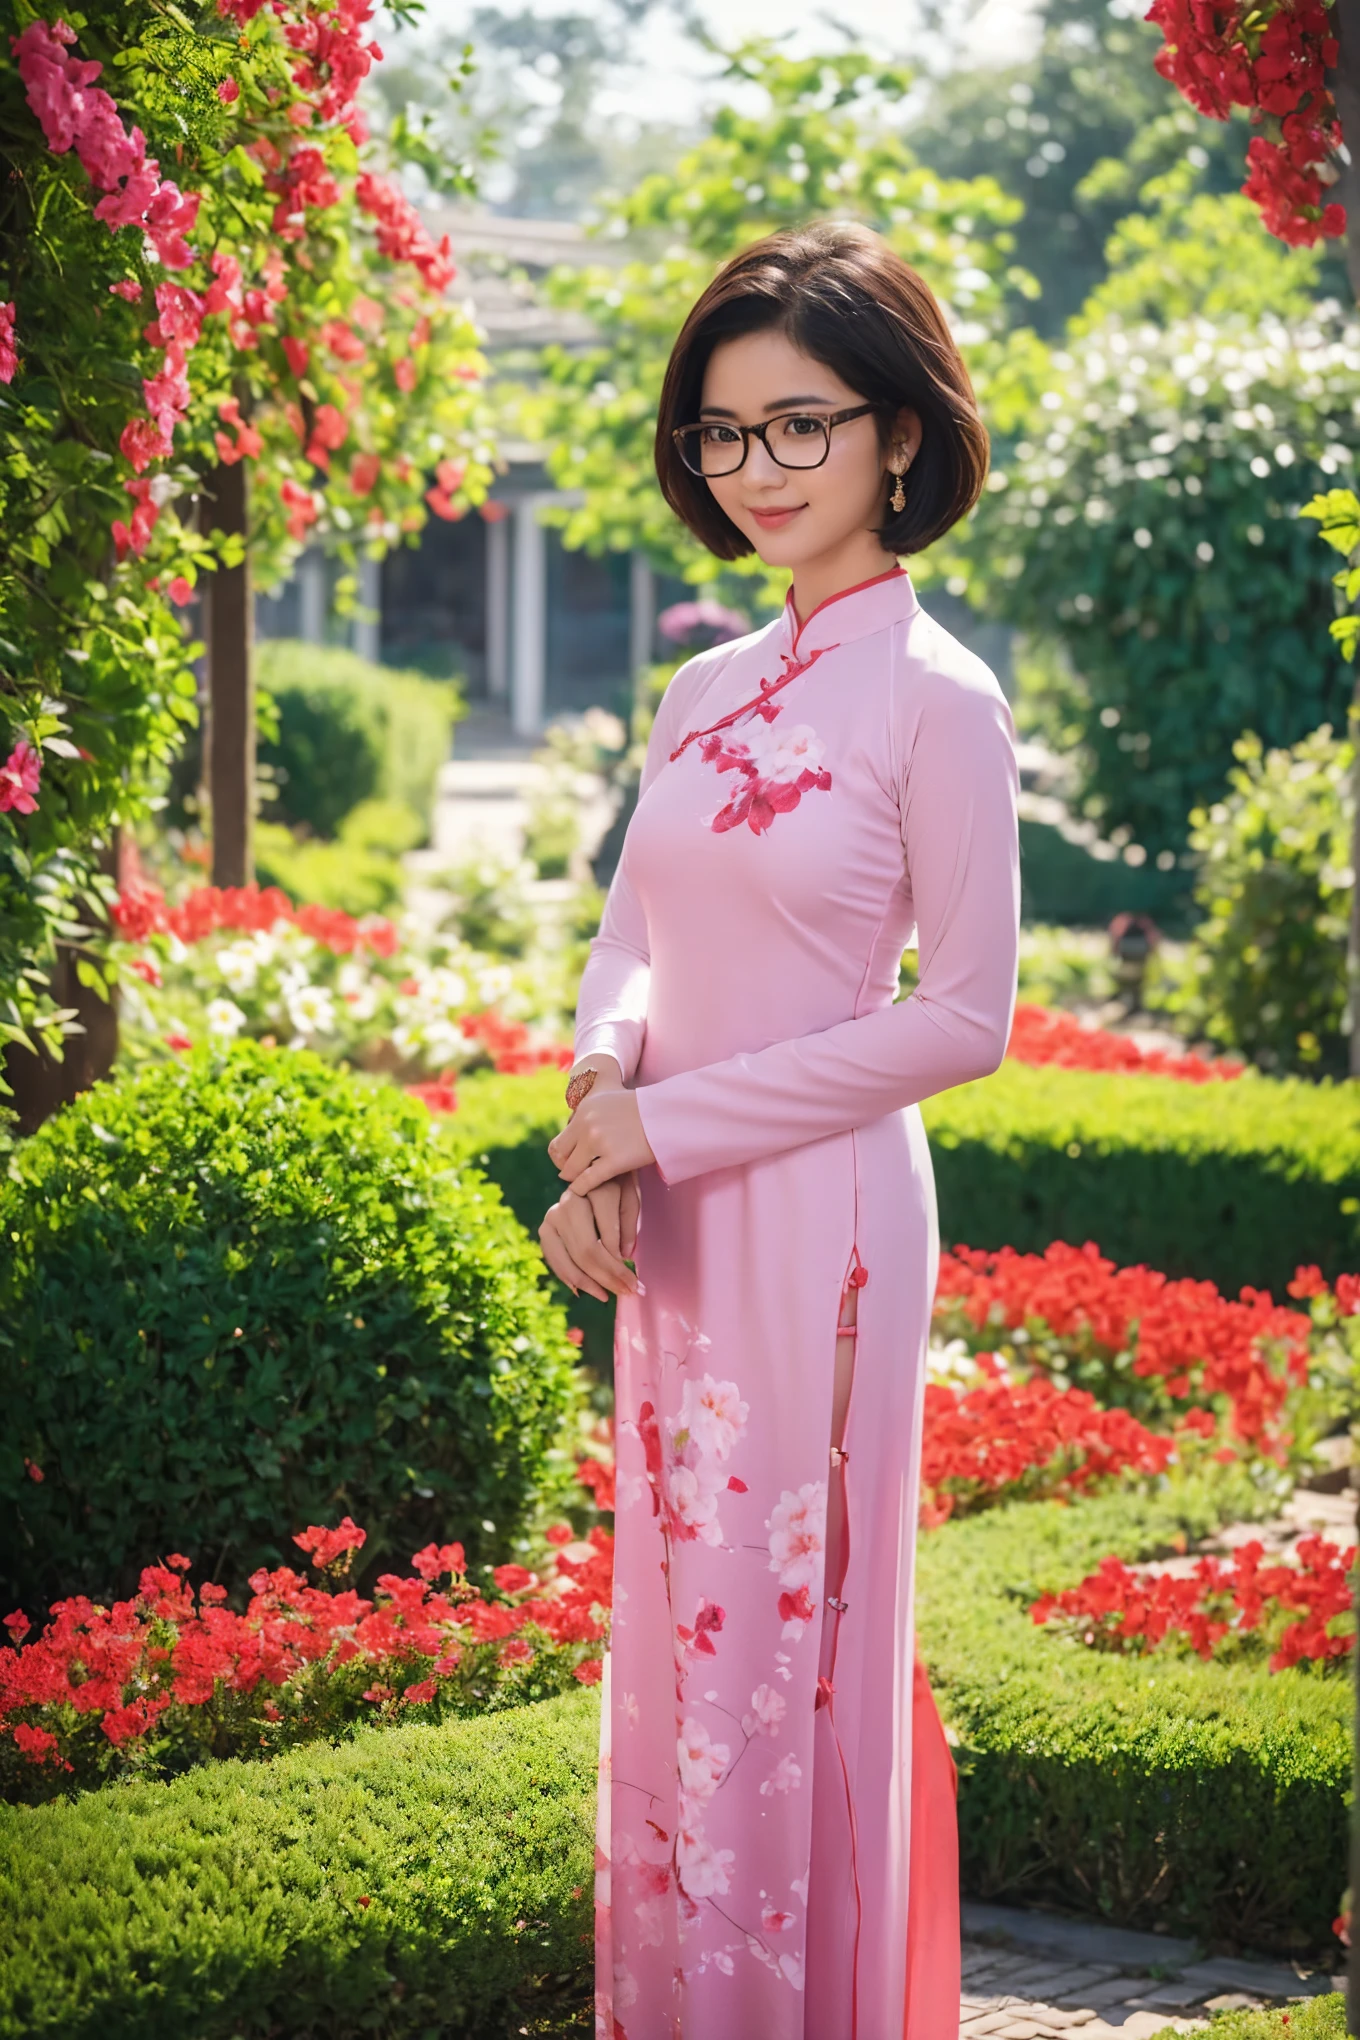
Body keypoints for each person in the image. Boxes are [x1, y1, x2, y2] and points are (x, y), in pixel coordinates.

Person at [538, 217, 1021, 2040]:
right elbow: (630, 935)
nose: (757, 470)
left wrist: (670, 1127)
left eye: (800, 424)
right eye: (722, 436)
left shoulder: (937, 697)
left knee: (792, 1649)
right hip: (675, 1224)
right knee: (682, 1634)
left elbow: (962, 1019)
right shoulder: (700, 687)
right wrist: (599, 1109)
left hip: (821, 1229)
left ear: (901, 433)